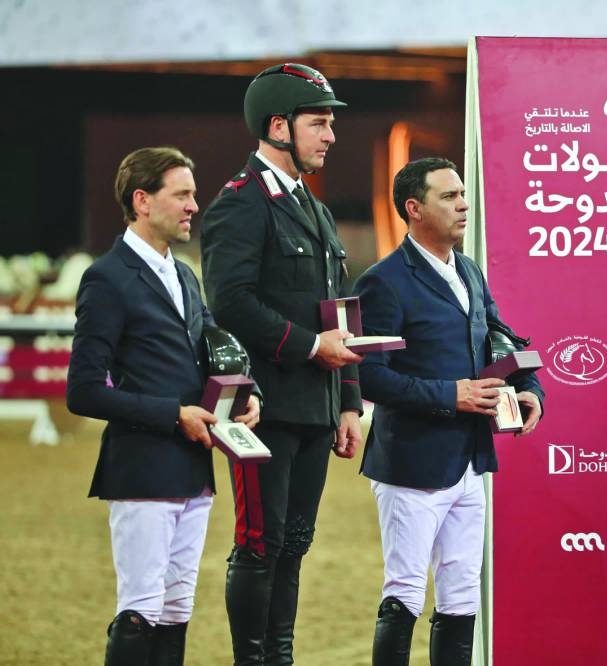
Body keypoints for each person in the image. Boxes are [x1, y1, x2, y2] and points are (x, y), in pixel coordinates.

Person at [67, 146, 260, 666]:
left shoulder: (186, 276)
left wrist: (246, 396)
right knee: (140, 610)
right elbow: (83, 390)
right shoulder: (107, 278)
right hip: (142, 468)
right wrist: (172, 415)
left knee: (176, 611)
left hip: (193, 470)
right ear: (142, 201)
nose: (194, 206)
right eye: (183, 195)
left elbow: (205, 359)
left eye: (193, 195)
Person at [200, 63, 364, 665]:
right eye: (319, 123)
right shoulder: (241, 204)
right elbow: (230, 301)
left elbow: (338, 312)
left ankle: (280, 657)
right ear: (278, 126)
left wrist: (348, 400)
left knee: (295, 544)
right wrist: (307, 347)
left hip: (318, 408)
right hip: (262, 408)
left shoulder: (314, 210)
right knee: (260, 545)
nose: (330, 135)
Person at [353, 157, 545, 666]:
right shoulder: (384, 281)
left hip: (470, 460)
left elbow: (501, 339)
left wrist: (530, 389)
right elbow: (369, 376)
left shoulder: (469, 270)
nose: (463, 205)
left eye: (462, 194)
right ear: (414, 209)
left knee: (461, 598)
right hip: (411, 463)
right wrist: (450, 396)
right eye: (448, 197)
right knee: (405, 595)